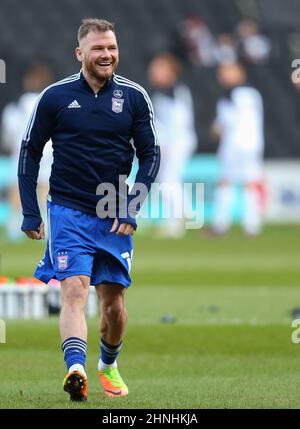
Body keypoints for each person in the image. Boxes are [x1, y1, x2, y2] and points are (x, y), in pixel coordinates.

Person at [18, 18, 160, 401]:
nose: (107, 54)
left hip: (114, 210)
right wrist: (31, 211)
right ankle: (75, 370)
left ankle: (107, 364)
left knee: (113, 306)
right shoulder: (55, 96)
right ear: (80, 53)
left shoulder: (134, 97)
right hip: (67, 208)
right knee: (75, 291)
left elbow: (150, 154)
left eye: (111, 48)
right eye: (98, 48)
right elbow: (30, 150)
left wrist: (132, 205)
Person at [211, 62, 264, 236]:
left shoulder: (232, 94)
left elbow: (225, 124)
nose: (223, 76)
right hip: (253, 143)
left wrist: (216, 129)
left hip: (234, 144)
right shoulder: (254, 93)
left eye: (227, 72)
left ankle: (220, 225)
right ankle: (252, 226)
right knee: (250, 183)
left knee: (225, 182)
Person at [1, 63, 53, 241]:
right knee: (45, 189)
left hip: (22, 151)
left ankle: (14, 228)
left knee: (18, 187)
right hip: (46, 152)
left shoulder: (16, 106)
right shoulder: (50, 103)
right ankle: (47, 228)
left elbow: (9, 132)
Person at [148, 53, 197, 237]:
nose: (153, 72)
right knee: (168, 181)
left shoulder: (174, 92)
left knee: (168, 181)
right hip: (170, 142)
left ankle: (177, 222)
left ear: (170, 72)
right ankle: (184, 216)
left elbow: (179, 121)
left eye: (157, 69)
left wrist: (167, 144)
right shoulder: (162, 93)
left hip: (178, 142)